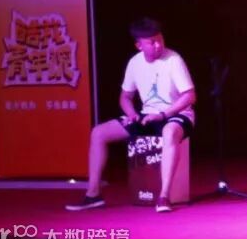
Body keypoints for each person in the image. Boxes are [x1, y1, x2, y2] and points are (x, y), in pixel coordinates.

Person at [66, 17, 196, 213]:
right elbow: (125, 97)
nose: (158, 45)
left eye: (160, 39)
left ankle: (164, 196)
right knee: (99, 133)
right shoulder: (134, 63)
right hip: (147, 115)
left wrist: (163, 115)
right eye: (151, 42)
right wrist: (132, 114)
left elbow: (189, 96)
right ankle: (93, 194)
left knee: (169, 132)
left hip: (176, 114)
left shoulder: (174, 60)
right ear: (139, 45)